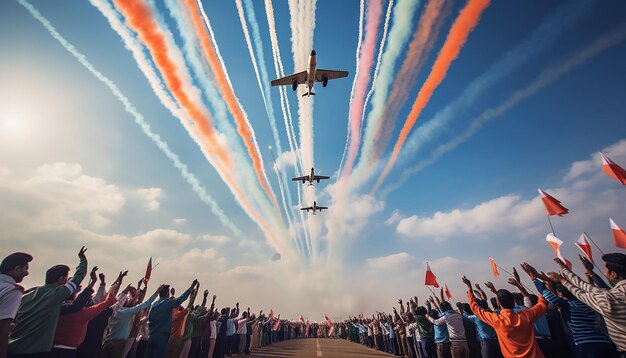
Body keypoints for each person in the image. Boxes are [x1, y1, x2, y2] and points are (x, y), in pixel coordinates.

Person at [8, 246, 88, 357]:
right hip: (35, 352)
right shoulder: (56, 295)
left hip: (13, 348)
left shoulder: (26, 294)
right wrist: (83, 259)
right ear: (61, 280)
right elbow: (78, 276)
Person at [548, 254, 626, 356]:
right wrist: (565, 270)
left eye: (605, 269)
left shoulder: (608, 300)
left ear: (614, 274)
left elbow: (581, 293)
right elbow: (587, 287)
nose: (604, 271)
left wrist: (562, 280)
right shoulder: (613, 294)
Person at [463, 275, 547, 358]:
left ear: (498, 303)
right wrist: (535, 278)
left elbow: (475, 308)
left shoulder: (497, 320)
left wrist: (469, 288)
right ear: (513, 301)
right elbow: (542, 304)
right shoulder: (527, 315)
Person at [102, 282, 162, 358]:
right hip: (117, 344)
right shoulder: (125, 313)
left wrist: (131, 290)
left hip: (107, 342)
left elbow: (125, 300)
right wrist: (158, 291)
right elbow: (146, 303)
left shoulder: (114, 310)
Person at [145, 279, 197, 358]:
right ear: (167, 294)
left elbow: (150, 318)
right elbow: (181, 299)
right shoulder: (168, 303)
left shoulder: (154, 305)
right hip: (161, 337)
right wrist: (191, 287)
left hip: (152, 336)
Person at [0, 252, 32, 358]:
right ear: (17, 269)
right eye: (26, 269)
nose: (27, 273)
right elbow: (3, 327)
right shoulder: (12, 291)